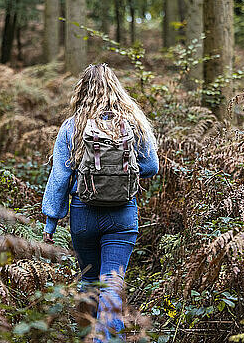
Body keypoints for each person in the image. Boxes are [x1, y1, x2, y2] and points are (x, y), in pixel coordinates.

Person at [41, 63, 159, 342]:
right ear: (117, 89)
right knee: (112, 284)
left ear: (82, 91)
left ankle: (88, 335)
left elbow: (60, 176)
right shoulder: (133, 123)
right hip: (122, 215)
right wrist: (121, 174)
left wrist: (51, 221)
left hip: (83, 215)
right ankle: (106, 339)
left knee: (90, 282)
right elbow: (151, 165)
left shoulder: (72, 126)